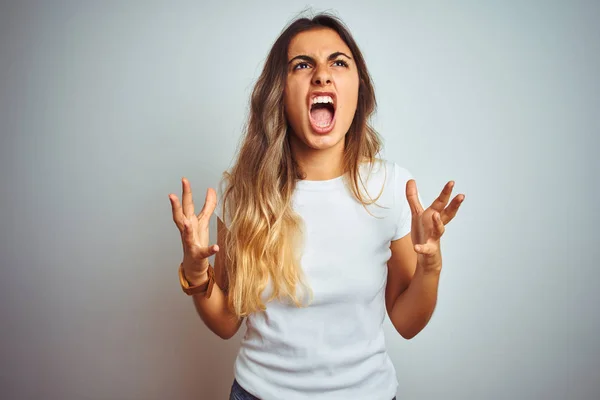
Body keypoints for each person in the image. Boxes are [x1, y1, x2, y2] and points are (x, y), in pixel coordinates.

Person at [168, 12, 464, 400]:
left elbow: (407, 323)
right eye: (302, 64)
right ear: (280, 92)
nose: (322, 75)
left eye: (338, 62)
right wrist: (196, 273)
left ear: (358, 90)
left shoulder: (389, 187)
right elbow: (226, 321)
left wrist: (431, 266)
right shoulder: (245, 193)